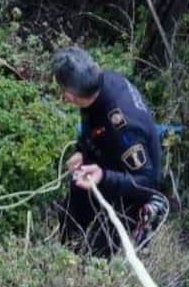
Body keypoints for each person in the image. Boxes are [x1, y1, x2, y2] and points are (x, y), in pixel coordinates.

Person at [52, 46, 167, 257]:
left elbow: (146, 182)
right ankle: (64, 258)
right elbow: (93, 123)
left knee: (98, 251)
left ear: (68, 96)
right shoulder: (98, 84)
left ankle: (91, 270)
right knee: (71, 214)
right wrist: (83, 151)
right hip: (104, 160)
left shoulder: (124, 127)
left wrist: (104, 177)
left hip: (131, 186)